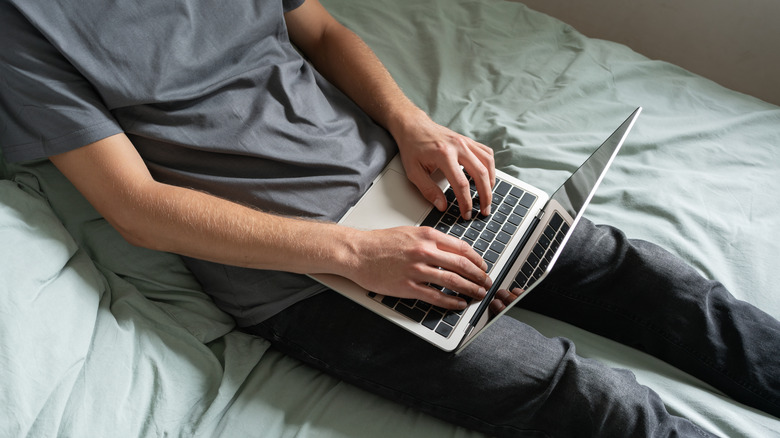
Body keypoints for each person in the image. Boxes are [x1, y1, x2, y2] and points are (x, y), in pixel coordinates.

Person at [1, 0, 777, 436]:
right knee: (585, 398)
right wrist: (353, 253)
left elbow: (321, 30)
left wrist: (414, 125)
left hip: (405, 185)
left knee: (641, 275)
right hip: (299, 273)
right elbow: (137, 209)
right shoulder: (22, 26)